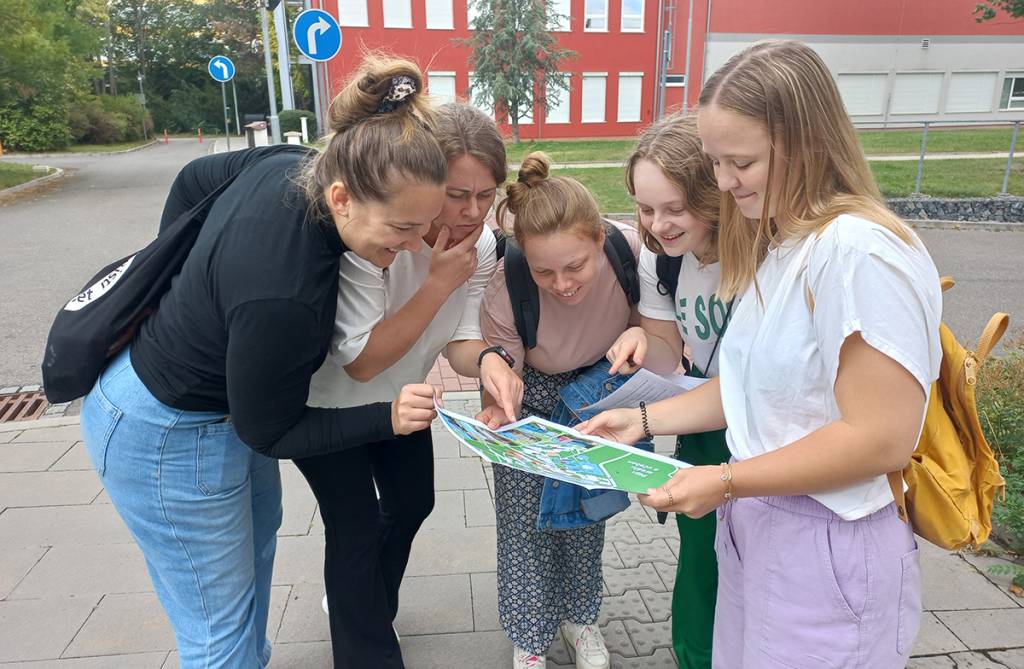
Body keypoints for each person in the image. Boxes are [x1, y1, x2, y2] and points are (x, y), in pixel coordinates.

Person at [580, 40, 942, 668]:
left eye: (739, 162)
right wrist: (642, 422)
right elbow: (751, 386)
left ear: (803, 143)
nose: (722, 182)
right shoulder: (784, 246)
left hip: (827, 537)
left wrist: (724, 480)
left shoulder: (856, 252)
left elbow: (881, 438)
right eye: (715, 161)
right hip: (760, 524)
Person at [78, 54, 447, 669]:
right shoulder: (287, 293)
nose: (414, 246)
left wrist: (178, 285)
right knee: (219, 635)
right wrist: (387, 420)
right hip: (166, 436)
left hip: (208, 415)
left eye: (425, 226)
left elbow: (194, 180)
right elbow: (271, 430)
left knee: (247, 582)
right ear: (342, 198)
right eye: (403, 228)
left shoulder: (289, 164)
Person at [301, 101, 523, 669]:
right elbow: (363, 362)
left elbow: (463, 337)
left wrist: (493, 362)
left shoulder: (484, 246)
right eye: (457, 194)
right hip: (333, 407)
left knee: (412, 502)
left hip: (404, 403)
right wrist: (438, 282)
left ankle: (367, 606)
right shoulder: (374, 239)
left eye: (486, 194)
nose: (474, 211)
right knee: (351, 526)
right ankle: (367, 640)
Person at [479, 153, 645, 669]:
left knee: (585, 515)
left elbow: (655, 322)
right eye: (544, 271)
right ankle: (529, 636)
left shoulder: (631, 251)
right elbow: (502, 369)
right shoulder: (507, 283)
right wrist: (496, 406)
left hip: (600, 391)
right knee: (523, 523)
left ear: (599, 238)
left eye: (575, 265)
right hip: (534, 394)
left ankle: (581, 619)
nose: (564, 283)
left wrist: (640, 330)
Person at [604, 112, 727, 668]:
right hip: (703, 424)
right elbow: (664, 344)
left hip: (770, 432)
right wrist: (637, 334)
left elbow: (763, 386)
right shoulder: (660, 256)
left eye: (676, 208)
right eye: (647, 209)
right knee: (701, 561)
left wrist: (649, 420)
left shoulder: (765, 255)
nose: (659, 224)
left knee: (756, 569)